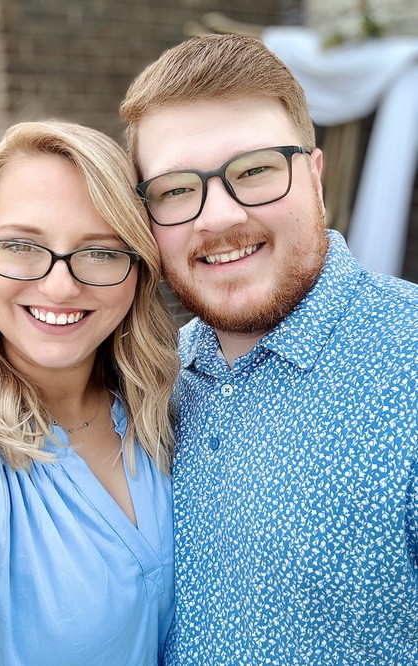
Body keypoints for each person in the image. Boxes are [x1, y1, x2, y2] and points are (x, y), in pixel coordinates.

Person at [120, 34, 418, 664]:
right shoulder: (153, 381)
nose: (219, 217)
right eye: (175, 190)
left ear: (315, 177)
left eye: (255, 170)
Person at [0, 120, 179, 665]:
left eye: (101, 252)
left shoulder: (168, 405)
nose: (60, 286)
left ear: (139, 270)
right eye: (20, 245)